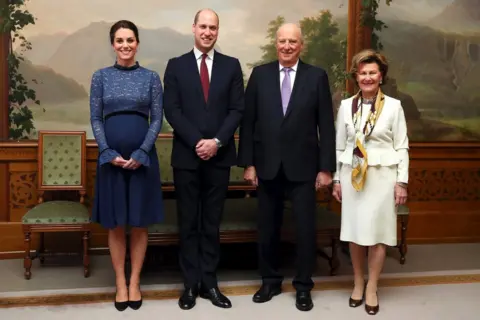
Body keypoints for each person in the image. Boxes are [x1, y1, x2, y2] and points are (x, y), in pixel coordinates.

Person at [237, 23, 336, 312]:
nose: (287, 46)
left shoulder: (316, 76)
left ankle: (303, 286)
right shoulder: (260, 74)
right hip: (266, 166)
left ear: (301, 45)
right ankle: (269, 281)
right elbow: (249, 121)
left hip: (304, 168)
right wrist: (249, 163)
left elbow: (326, 127)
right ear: (276, 44)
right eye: (283, 41)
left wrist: (326, 167)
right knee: (267, 228)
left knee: (306, 230)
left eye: (293, 41)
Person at [162, 8, 244, 310]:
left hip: (220, 158)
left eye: (213, 28)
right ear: (193, 28)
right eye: (203, 27)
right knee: (188, 223)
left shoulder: (232, 66)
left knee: (211, 224)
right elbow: (172, 110)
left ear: (217, 31)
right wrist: (199, 142)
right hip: (187, 157)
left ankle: (210, 283)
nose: (208, 32)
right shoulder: (176, 66)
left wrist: (217, 142)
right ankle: (189, 285)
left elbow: (237, 110)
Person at [89, 20, 164, 312]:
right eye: (119, 40)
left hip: (142, 159)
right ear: (113, 44)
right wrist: (107, 151)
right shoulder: (100, 77)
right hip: (111, 160)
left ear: (137, 43)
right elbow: (96, 118)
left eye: (130, 40)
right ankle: (120, 282)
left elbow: (157, 119)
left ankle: (135, 282)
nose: (125, 45)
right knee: (116, 222)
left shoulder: (151, 77)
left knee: (139, 222)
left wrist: (142, 151)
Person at [332, 49, 409, 316]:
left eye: (372, 72)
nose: (367, 77)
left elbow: (402, 147)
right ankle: (357, 282)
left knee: (378, 235)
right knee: (355, 233)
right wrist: (335, 179)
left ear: (381, 75)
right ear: (356, 76)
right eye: (362, 73)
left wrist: (402, 182)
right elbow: (339, 145)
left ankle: (373, 286)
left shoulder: (394, 106)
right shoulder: (345, 106)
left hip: (382, 177)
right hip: (352, 178)